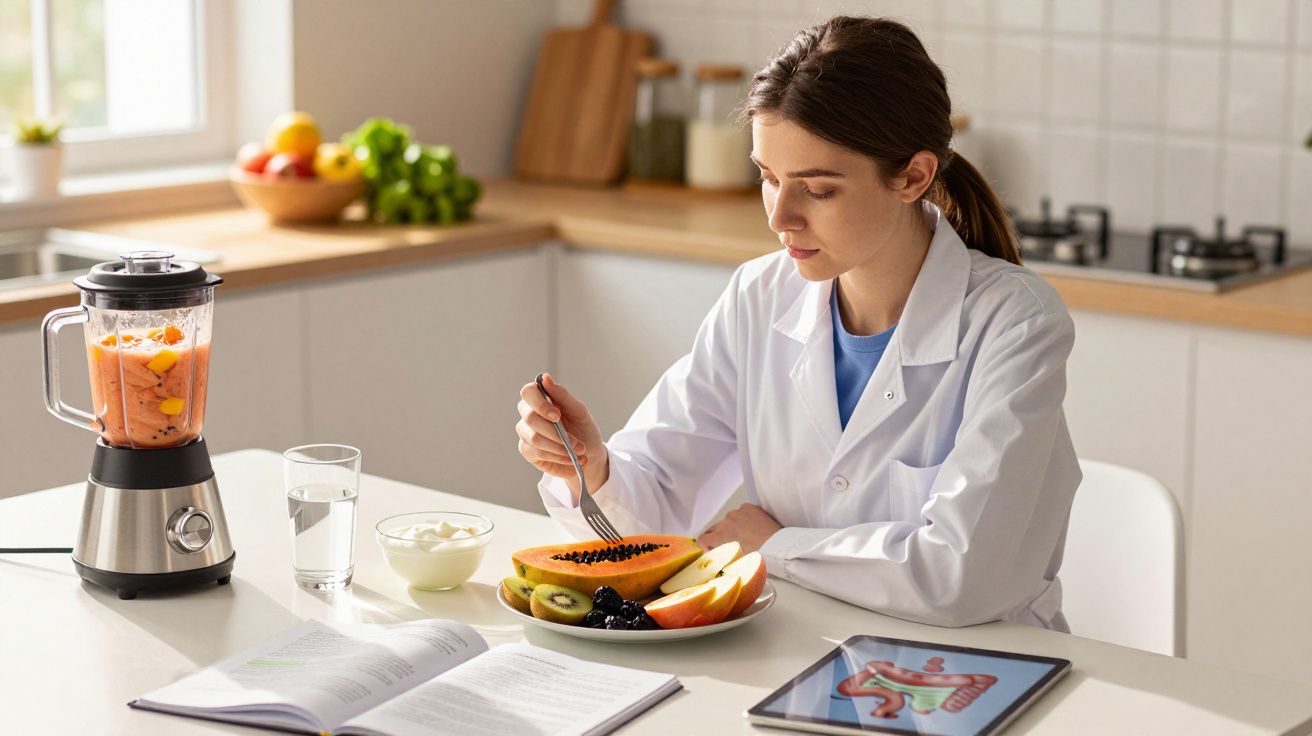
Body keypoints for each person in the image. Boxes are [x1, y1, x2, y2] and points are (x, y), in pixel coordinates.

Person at [513, 16, 1081, 631]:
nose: (781, 217)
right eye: (768, 177)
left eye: (817, 189)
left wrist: (774, 545)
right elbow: (653, 523)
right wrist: (591, 468)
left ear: (913, 177)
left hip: (978, 673)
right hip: (799, 647)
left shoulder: (1012, 321)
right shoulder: (760, 295)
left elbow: (960, 577)